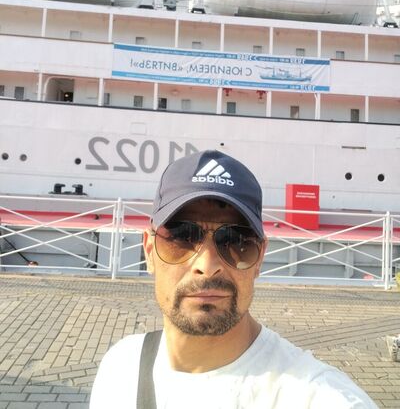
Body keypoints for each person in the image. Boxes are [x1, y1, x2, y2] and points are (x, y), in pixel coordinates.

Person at [90, 149, 377, 409]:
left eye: (236, 240)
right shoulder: (120, 367)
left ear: (259, 258)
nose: (207, 266)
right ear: (149, 251)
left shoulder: (318, 396)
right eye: (181, 236)